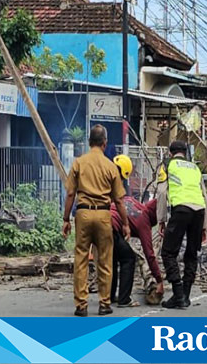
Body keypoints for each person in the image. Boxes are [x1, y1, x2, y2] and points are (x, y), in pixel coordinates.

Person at [62, 125, 129, 317]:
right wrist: (125, 224)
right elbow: (119, 200)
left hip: (82, 214)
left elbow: (70, 194)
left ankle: (81, 305)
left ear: (89, 142)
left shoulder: (79, 163)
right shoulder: (110, 166)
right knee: (105, 260)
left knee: (81, 259)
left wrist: (66, 219)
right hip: (103, 215)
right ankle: (104, 303)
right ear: (104, 143)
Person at [157, 140, 207, 309]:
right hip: (199, 211)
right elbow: (204, 195)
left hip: (181, 209)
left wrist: (161, 219)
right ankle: (185, 296)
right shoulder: (195, 168)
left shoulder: (167, 165)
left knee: (168, 252)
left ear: (170, 153)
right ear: (185, 153)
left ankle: (178, 294)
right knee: (191, 254)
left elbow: (162, 192)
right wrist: (204, 226)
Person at [109, 155, 164, 308]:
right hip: (110, 227)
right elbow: (149, 254)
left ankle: (110, 295)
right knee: (128, 258)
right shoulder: (144, 220)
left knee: (113, 258)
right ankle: (124, 299)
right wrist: (159, 280)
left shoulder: (134, 202)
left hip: (100, 222)